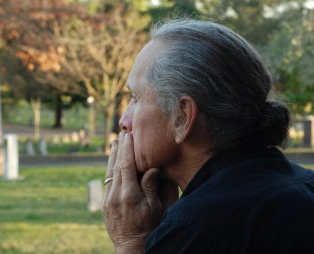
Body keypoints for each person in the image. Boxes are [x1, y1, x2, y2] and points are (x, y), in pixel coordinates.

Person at [102, 19, 314, 254]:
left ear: (182, 117)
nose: (124, 122)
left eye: (136, 98)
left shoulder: (199, 229)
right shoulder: (305, 185)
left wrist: (131, 242)